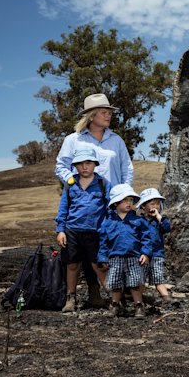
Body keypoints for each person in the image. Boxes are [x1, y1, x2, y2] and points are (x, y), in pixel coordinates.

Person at [54, 93, 135, 307]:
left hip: (112, 205)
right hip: (82, 206)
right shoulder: (74, 140)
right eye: (104, 112)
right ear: (91, 116)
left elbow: (127, 168)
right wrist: (73, 182)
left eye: (110, 112)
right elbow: (61, 166)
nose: (108, 115)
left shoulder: (116, 140)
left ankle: (122, 293)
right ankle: (93, 293)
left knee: (111, 249)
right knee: (84, 251)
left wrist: (124, 194)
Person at [54, 148, 112, 312]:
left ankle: (113, 298)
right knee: (72, 266)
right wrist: (61, 230)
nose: (84, 167)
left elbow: (110, 209)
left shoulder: (103, 183)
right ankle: (70, 299)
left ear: (95, 164)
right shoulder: (70, 184)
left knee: (100, 266)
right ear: (75, 166)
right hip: (72, 231)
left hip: (96, 232)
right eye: (79, 164)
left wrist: (108, 230)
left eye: (88, 163)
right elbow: (63, 208)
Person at [97, 184, 156, 319]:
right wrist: (102, 258)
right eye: (125, 200)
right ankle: (115, 305)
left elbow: (146, 238)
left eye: (131, 200)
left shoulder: (138, 221)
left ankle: (139, 306)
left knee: (135, 283)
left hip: (134, 257)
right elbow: (103, 242)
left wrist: (146, 253)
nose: (129, 203)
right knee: (116, 283)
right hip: (115, 258)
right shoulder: (108, 222)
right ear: (116, 203)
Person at [137, 187, 173, 307]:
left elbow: (167, 228)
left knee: (158, 277)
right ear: (143, 206)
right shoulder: (139, 221)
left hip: (157, 254)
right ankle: (138, 299)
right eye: (152, 203)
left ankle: (166, 297)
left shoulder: (160, 221)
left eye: (158, 203)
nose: (156, 206)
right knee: (141, 278)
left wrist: (158, 216)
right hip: (142, 255)